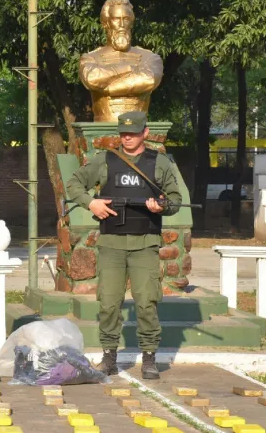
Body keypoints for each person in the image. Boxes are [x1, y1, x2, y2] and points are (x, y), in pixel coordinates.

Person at [65, 110, 181, 379]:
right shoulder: (105, 160)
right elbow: (74, 183)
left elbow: (175, 200)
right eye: (123, 133)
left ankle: (149, 357)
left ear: (145, 133)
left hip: (145, 243)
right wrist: (91, 203)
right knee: (108, 303)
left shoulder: (159, 163)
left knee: (147, 302)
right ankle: (109, 357)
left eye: (133, 133)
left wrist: (161, 206)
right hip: (112, 244)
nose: (127, 138)